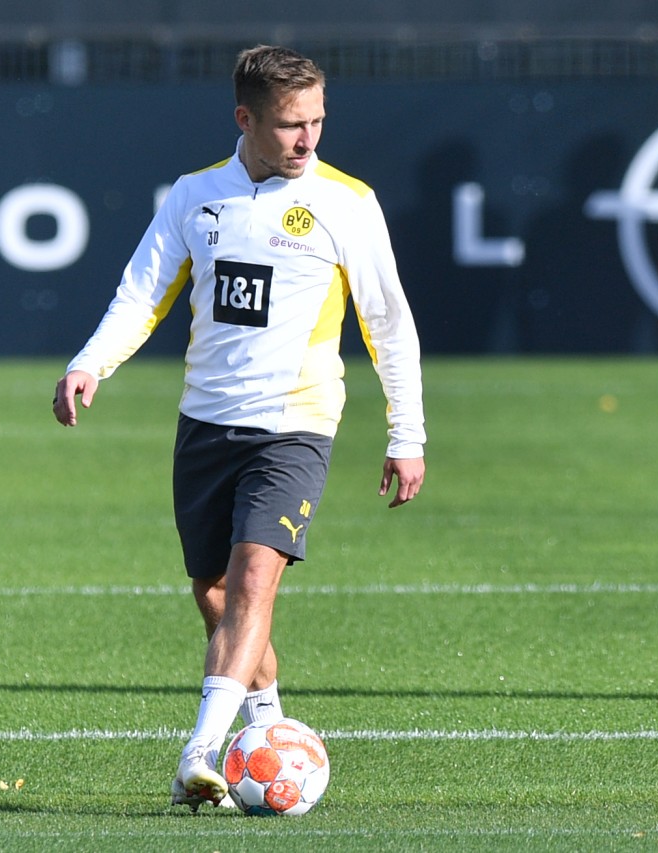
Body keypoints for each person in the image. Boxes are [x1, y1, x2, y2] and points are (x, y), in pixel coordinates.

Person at [51, 45, 426, 811]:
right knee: (217, 594)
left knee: (257, 576)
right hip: (206, 424)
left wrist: (406, 432)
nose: (309, 140)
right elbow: (142, 291)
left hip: (296, 422)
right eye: (292, 124)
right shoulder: (195, 196)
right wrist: (90, 363)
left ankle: (200, 750)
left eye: (319, 121)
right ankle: (269, 731)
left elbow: (388, 321)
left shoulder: (346, 201)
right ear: (245, 119)